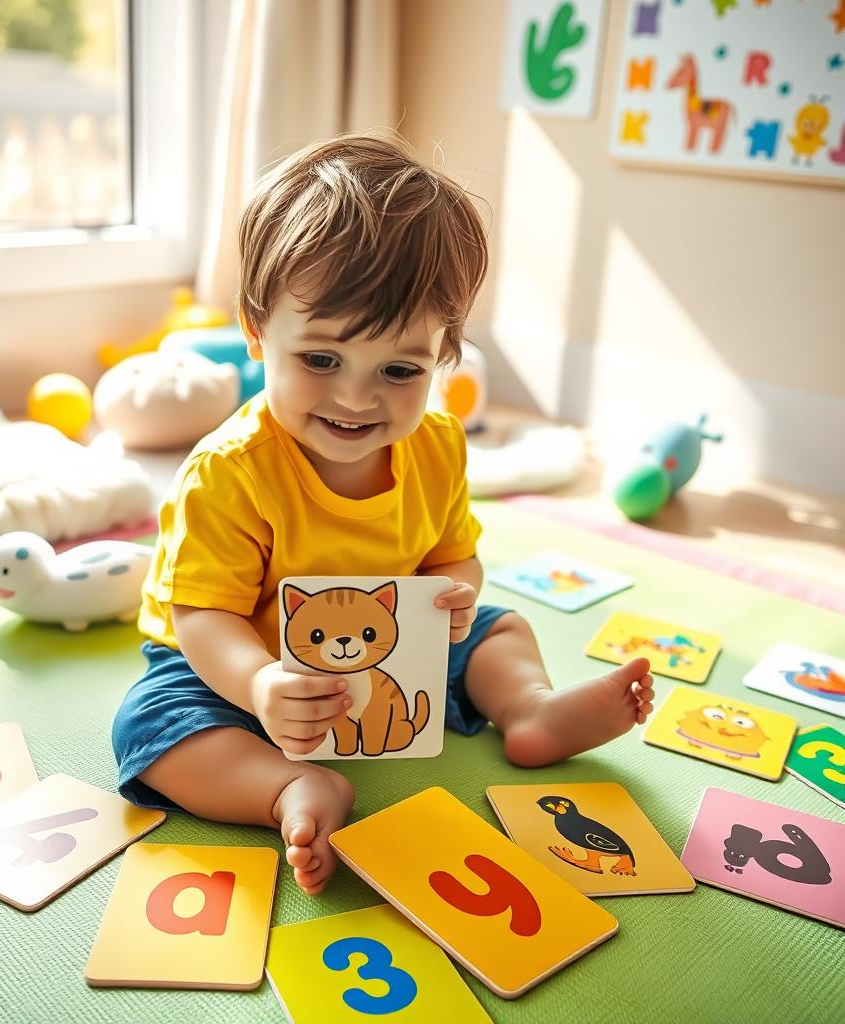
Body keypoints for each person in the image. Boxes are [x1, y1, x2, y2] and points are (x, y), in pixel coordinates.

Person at [112, 131, 654, 895]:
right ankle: (288, 788)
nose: (358, 397)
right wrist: (263, 684)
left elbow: (448, 558)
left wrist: (459, 596)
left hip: (391, 648)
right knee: (150, 727)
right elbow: (203, 618)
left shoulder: (437, 444)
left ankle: (529, 710)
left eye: (400, 370)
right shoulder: (228, 473)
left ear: (444, 358)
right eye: (321, 360)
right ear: (258, 328)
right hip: (240, 661)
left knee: (502, 628)